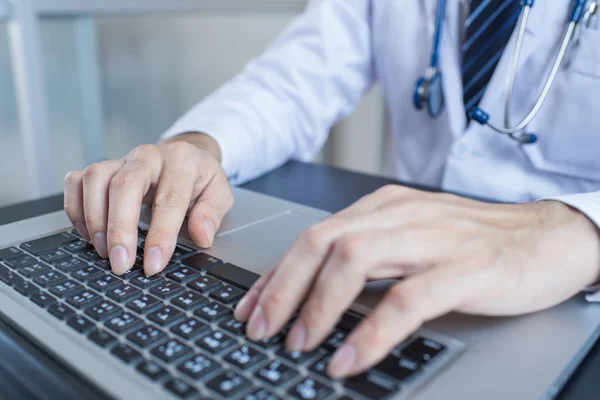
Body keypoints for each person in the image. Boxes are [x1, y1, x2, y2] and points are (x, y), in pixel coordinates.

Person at [63, 0, 600, 379]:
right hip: (386, 260)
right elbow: (296, 81)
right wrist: (199, 146)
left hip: (568, 288)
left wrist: (577, 227)